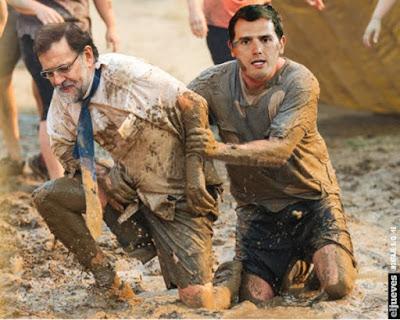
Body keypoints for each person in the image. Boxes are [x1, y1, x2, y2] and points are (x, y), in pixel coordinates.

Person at [32, 22, 243, 309]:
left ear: (89, 57)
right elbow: (69, 155)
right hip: (130, 191)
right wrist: (104, 176)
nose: (57, 81)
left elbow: (193, 105)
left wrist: (195, 177)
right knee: (48, 195)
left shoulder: (126, 74)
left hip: (179, 192)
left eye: (64, 68)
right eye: (49, 73)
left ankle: (232, 274)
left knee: (198, 300)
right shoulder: (63, 104)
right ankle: (108, 281)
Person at [187, 4, 357, 304]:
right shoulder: (211, 84)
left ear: (281, 43)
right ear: (232, 48)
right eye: (246, 41)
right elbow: (179, 115)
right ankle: (252, 266)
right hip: (258, 210)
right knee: (255, 300)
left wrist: (217, 150)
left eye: (265, 39)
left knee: (337, 285)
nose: (257, 49)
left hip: (312, 201)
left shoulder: (299, 81)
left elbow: (279, 149)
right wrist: (195, 175)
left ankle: (307, 259)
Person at [7, 0, 119, 180]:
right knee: (50, 107)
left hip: (76, 30)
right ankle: (58, 180)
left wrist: (111, 25)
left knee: (82, 102)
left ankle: (76, 168)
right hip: (37, 32)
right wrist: (38, 8)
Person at [186, 0, 325, 65]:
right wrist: (195, 11)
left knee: (266, 72)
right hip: (222, 24)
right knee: (232, 77)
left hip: (260, 18)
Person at [0, 1, 24, 178]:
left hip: (48, 6)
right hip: (9, 7)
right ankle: (14, 156)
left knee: (46, 80)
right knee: (1, 80)